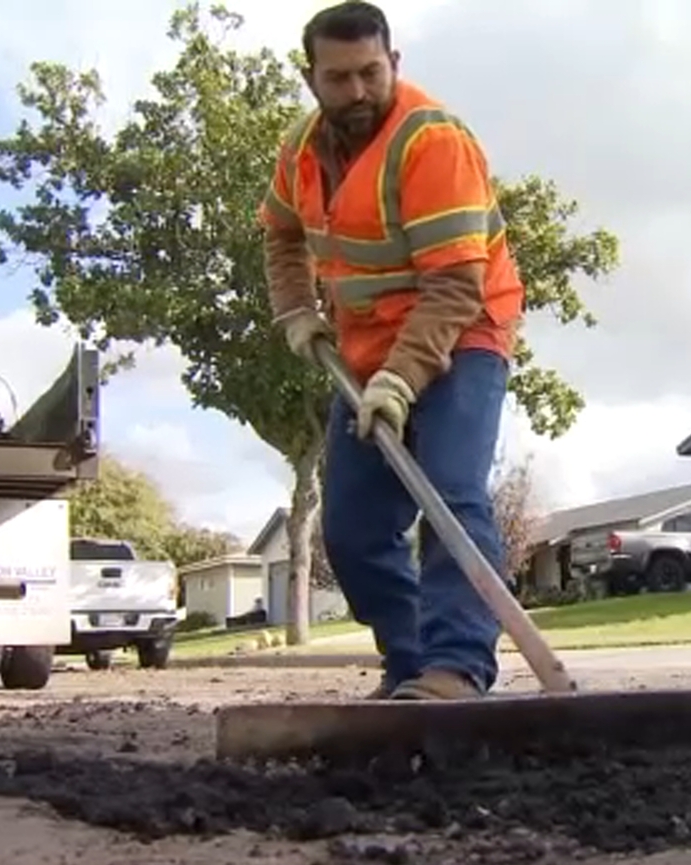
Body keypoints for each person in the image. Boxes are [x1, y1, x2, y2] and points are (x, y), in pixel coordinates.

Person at [257, 0, 523, 701]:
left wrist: (402, 382)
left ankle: (456, 668)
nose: (358, 92)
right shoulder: (301, 151)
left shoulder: (431, 143)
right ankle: (410, 667)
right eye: (339, 78)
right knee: (352, 524)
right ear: (311, 77)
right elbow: (282, 234)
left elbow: (454, 287)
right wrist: (297, 312)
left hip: (464, 333)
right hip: (364, 350)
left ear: (394, 64)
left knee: (448, 494)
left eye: (371, 73)